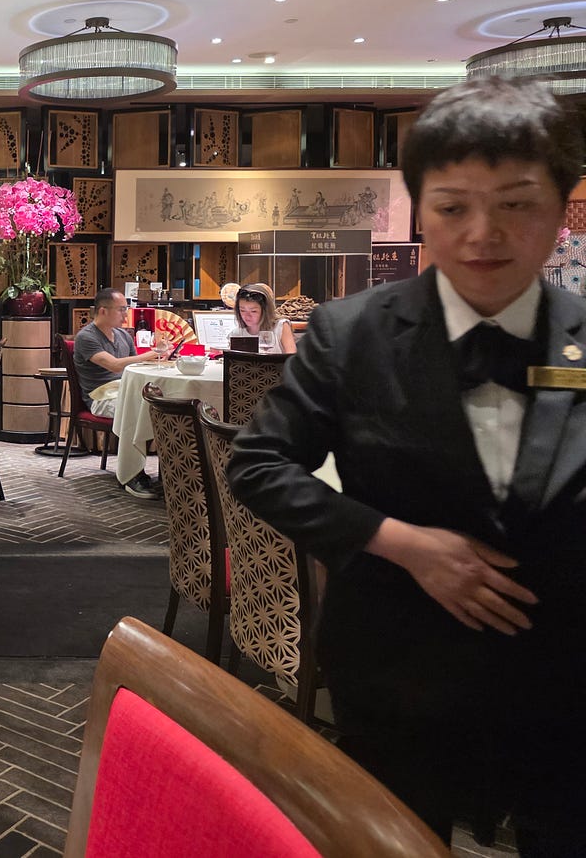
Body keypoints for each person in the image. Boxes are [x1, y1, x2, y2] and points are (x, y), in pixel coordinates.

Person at [229, 78, 586, 855]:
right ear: (421, 211)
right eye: (453, 207)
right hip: (399, 669)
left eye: (517, 203)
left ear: (562, 210)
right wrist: (403, 543)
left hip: (566, 682)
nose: (483, 233)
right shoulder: (351, 334)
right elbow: (257, 463)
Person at [73, 287, 176, 500]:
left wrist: (161, 357)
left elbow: (135, 367)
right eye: (121, 309)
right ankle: (132, 476)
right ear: (103, 311)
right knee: (135, 411)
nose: (125, 314)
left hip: (124, 390)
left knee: (165, 406)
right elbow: (115, 365)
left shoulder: (122, 335)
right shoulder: (86, 337)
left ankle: (171, 473)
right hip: (100, 397)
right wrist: (153, 353)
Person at [230, 281, 297, 354]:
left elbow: (292, 356)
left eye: (253, 311)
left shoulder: (280, 326)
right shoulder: (236, 334)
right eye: (242, 310)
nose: (247, 316)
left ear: (265, 310)